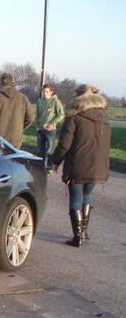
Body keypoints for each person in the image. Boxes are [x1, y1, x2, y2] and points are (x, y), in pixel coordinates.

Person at [51, 85, 111, 247]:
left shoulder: (74, 118)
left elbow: (64, 145)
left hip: (78, 165)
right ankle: (83, 232)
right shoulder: (104, 119)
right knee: (87, 197)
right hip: (98, 166)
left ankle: (78, 236)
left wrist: (55, 161)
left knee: (76, 199)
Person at [0, 72, 33, 148]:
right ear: (12, 82)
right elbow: (30, 118)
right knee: (14, 160)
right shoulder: (23, 98)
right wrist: (19, 128)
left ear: (1, 82)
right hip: (15, 139)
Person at [35, 83, 65, 170]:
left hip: (50, 130)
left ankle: (49, 167)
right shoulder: (39, 101)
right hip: (40, 129)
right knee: (41, 149)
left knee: (50, 149)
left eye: (47, 92)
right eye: (44, 91)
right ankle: (40, 166)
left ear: (51, 92)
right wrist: (37, 125)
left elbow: (61, 114)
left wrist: (52, 123)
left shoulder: (55, 101)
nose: (45, 93)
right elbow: (37, 115)